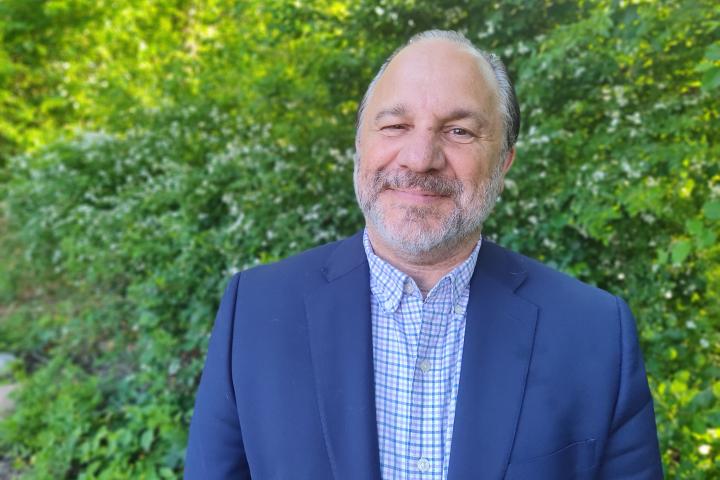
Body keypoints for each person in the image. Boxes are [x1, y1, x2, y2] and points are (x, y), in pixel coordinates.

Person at [184, 30, 663, 479]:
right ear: (359, 145)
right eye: (395, 124)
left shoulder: (596, 333)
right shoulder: (255, 310)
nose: (419, 157)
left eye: (458, 132)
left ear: (504, 163)